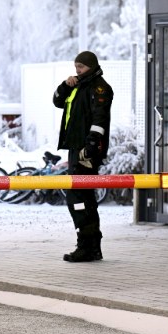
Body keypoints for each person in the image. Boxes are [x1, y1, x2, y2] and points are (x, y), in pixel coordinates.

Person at [53, 51, 113, 263]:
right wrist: (65, 86)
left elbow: (100, 118)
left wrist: (90, 146)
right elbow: (58, 102)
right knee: (83, 197)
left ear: (91, 66)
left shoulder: (99, 88)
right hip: (75, 148)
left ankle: (87, 245)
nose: (77, 70)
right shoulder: (77, 86)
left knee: (78, 196)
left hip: (86, 151)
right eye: (75, 66)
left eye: (81, 66)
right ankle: (90, 246)